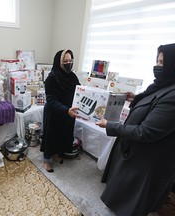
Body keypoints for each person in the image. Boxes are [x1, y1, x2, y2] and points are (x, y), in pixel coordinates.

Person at [95, 43, 175, 215]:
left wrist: (110, 126)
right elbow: (152, 103)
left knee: (133, 200)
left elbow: (147, 131)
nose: (156, 66)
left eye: (161, 63)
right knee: (121, 189)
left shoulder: (173, 96)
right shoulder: (163, 85)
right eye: (157, 61)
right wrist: (136, 98)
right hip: (135, 150)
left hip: (148, 159)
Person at [40, 49, 80, 172]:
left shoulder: (72, 76)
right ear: (59, 62)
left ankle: (56, 154)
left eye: (70, 60)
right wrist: (65, 110)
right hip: (54, 112)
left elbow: (80, 91)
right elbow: (51, 100)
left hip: (68, 112)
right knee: (51, 136)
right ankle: (46, 159)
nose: (68, 63)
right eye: (65, 61)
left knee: (62, 136)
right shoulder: (52, 78)